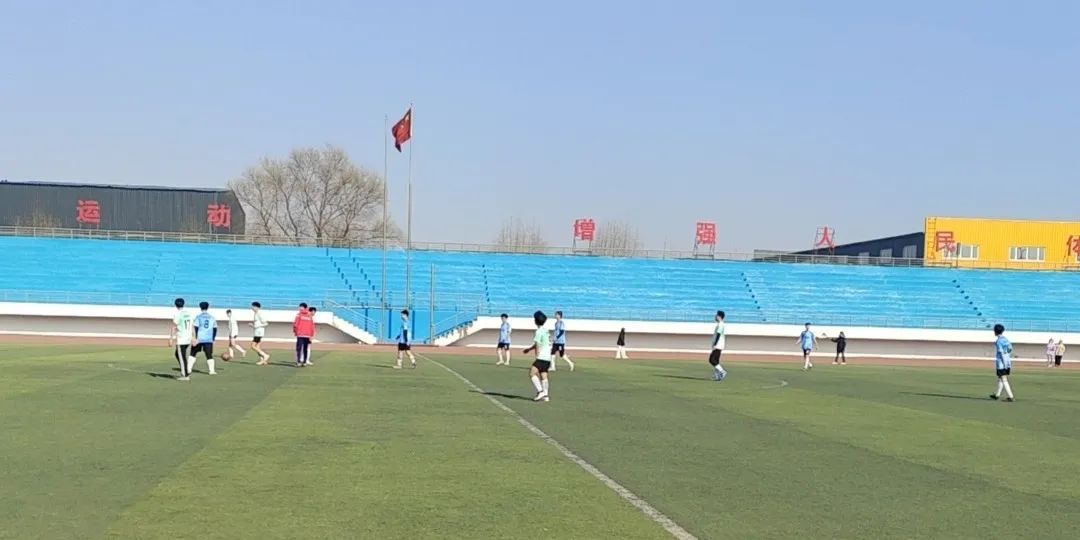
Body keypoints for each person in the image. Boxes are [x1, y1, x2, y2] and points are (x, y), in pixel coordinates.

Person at [523, 310, 552, 402]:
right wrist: (529, 349)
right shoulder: (546, 331)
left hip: (542, 357)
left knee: (532, 373)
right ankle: (546, 396)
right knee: (544, 375)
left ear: (536, 320)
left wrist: (537, 355)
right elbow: (541, 343)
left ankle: (540, 391)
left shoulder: (538, 331)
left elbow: (538, 344)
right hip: (548, 357)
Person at [169, 297, 195, 381]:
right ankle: (185, 370)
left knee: (181, 356)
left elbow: (174, 326)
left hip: (182, 338)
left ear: (175, 305)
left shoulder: (178, 314)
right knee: (178, 354)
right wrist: (194, 337)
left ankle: (185, 375)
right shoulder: (188, 313)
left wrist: (171, 339)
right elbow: (192, 326)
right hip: (188, 337)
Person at [989, 323, 1015, 402]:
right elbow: (1010, 349)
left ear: (995, 331)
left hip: (1001, 364)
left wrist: (1004, 362)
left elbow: (1001, 353)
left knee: (1004, 379)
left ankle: (1011, 397)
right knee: (1001, 378)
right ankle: (997, 395)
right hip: (1007, 362)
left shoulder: (998, 341)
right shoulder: (1006, 339)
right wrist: (1007, 357)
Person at [191, 301, 218, 375]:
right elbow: (215, 329)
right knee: (209, 355)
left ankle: (188, 369)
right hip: (208, 339)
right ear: (208, 307)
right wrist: (213, 339)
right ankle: (211, 371)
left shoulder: (198, 317)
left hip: (199, 339)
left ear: (200, 307)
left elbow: (195, 328)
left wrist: (194, 338)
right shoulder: (212, 317)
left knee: (193, 353)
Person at [293, 303, 315, 368]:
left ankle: (299, 362)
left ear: (304, 307)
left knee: (299, 349)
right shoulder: (310, 315)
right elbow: (312, 326)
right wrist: (311, 335)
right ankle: (304, 362)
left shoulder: (299, 315)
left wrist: (295, 332)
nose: (300, 308)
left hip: (300, 335)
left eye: (301, 307)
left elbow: (295, 324)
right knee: (305, 349)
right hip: (307, 335)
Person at [251, 301, 271, 366]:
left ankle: (265, 355)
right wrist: (253, 325)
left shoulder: (259, 313)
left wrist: (257, 326)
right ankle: (263, 360)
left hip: (259, 332)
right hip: (257, 331)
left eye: (253, 306)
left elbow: (266, 323)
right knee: (257, 347)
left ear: (256, 307)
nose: (252, 308)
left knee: (253, 346)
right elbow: (257, 324)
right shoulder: (256, 313)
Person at [709, 311, 726, 381]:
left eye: (716, 315)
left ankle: (722, 371)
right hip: (719, 344)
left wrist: (715, 344)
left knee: (711, 360)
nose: (715, 316)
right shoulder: (720, 324)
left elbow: (718, 335)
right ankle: (718, 376)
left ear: (719, 316)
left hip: (718, 345)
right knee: (716, 361)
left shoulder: (720, 324)